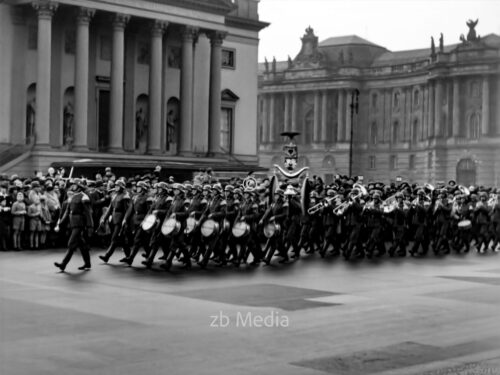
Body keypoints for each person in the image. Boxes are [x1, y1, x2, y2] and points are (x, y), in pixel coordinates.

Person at [54, 179, 93, 271]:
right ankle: (87, 263)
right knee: (82, 244)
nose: (72, 186)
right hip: (73, 223)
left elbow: (88, 213)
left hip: (80, 223)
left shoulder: (84, 197)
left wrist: (90, 226)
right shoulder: (72, 196)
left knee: (71, 243)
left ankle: (63, 264)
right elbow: (67, 212)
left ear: (79, 186)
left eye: (74, 185)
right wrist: (60, 223)